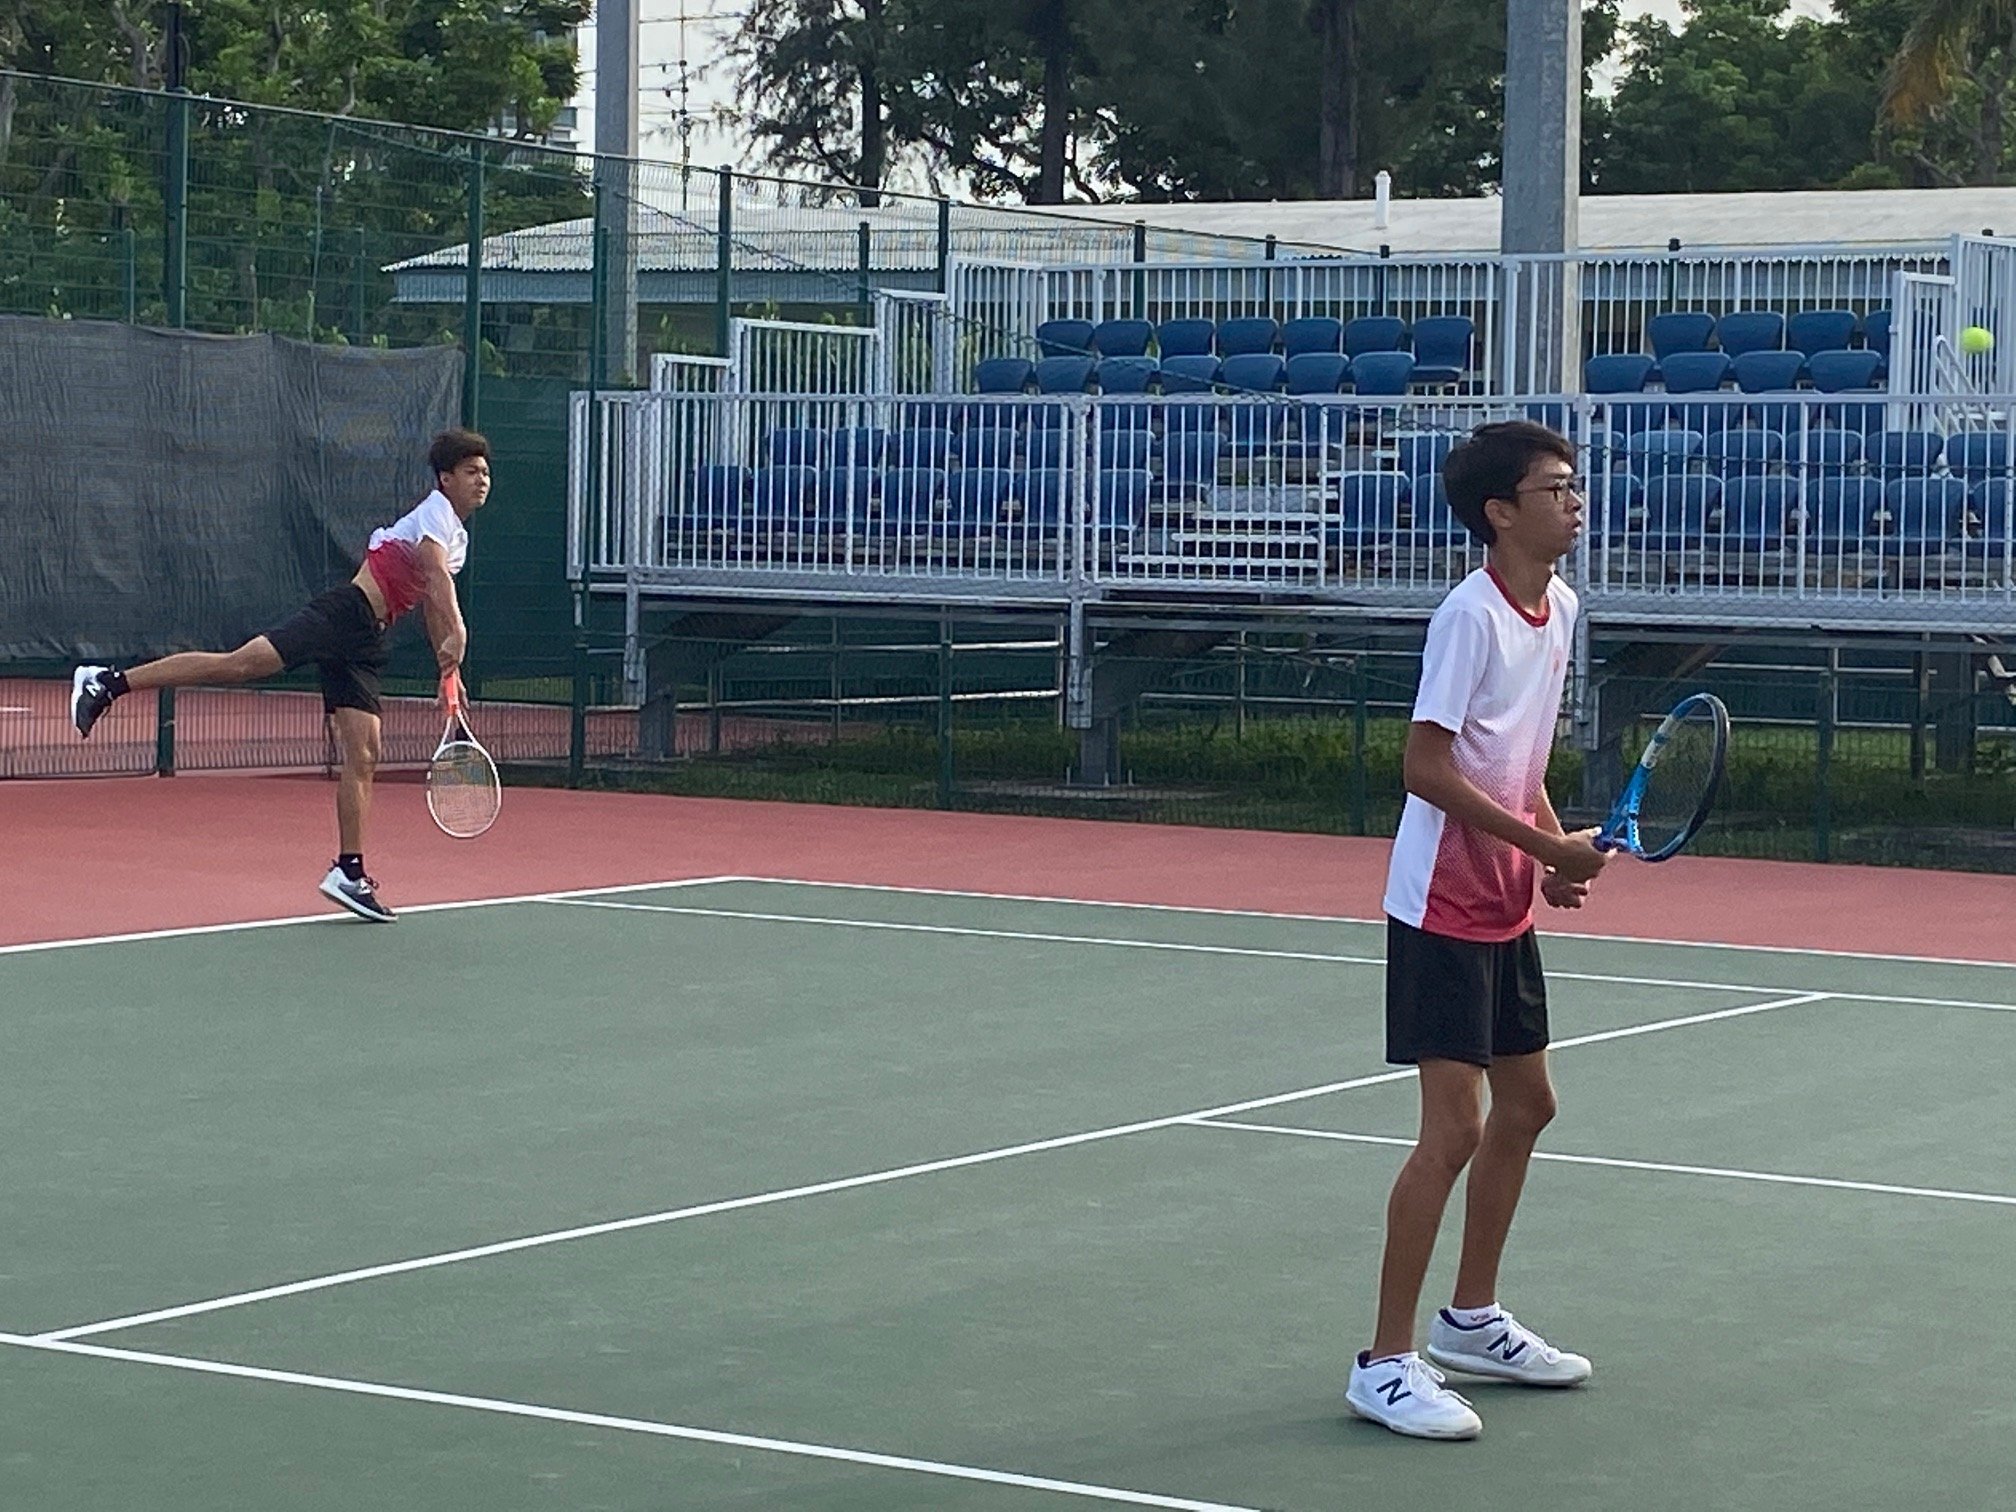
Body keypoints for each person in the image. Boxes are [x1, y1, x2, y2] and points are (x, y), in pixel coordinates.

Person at [1343, 420, 1609, 1441]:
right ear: (1500, 511)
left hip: (1499, 900)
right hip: (1440, 907)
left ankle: (1471, 1319)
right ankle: (1385, 1362)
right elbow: (1427, 767)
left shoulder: (1562, 609)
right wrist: (1543, 850)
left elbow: (1518, 752)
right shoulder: (1470, 616)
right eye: (1552, 487)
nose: (1572, 501)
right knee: (1453, 1127)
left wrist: (1548, 851)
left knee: (1529, 1104)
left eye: (1574, 486)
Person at [71, 428, 492, 924]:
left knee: (364, 752)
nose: (482, 480)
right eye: (471, 471)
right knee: (240, 665)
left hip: (365, 639)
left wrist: (450, 668)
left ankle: (348, 872)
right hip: (345, 613)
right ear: (446, 479)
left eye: (485, 472)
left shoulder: (456, 537)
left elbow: (430, 602)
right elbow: (436, 577)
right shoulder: (436, 515)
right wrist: (459, 630)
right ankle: (107, 681)